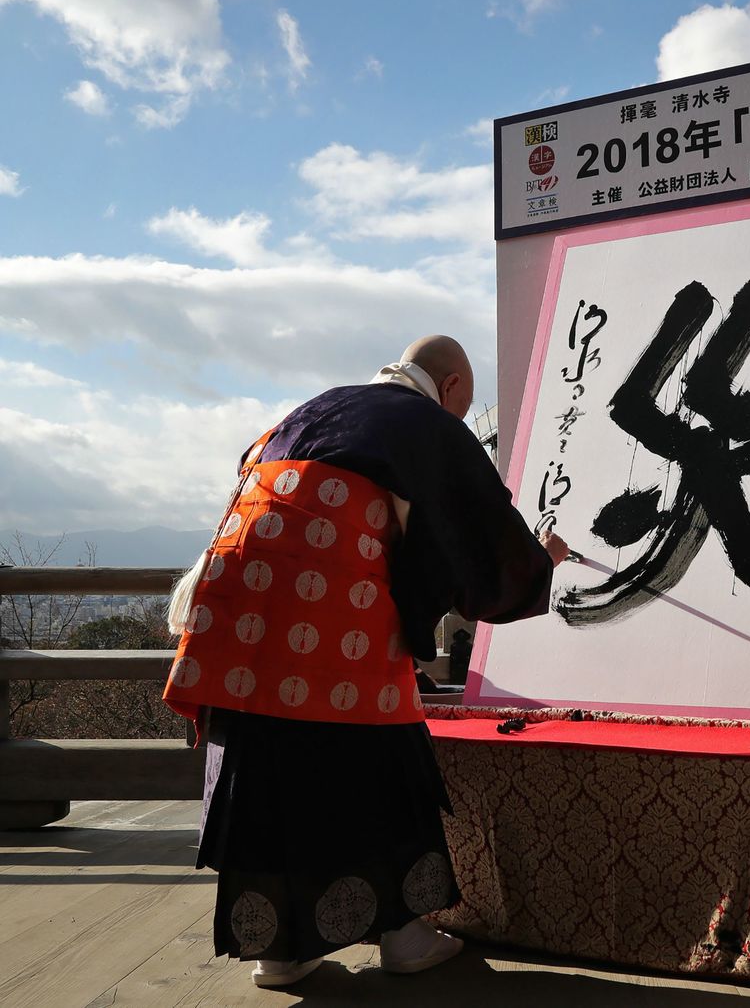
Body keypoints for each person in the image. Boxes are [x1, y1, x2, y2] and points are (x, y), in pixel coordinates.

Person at [163, 335, 568, 988]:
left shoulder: (316, 409)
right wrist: (541, 561)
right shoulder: (426, 425)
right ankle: (404, 934)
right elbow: (480, 542)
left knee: (272, 759)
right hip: (329, 609)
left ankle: (282, 950)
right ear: (455, 387)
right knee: (376, 758)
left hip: (242, 610)